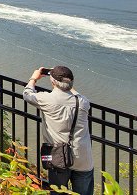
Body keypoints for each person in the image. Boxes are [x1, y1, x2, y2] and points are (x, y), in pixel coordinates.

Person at [23, 66, 94, 195]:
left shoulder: (46, 99)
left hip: (58, 156)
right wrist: (67, 82)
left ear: (53, 82)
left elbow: (27, 94)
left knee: (57, 191)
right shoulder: (83, 102)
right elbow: (74, 93)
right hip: (83, 157)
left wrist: (34, 78)